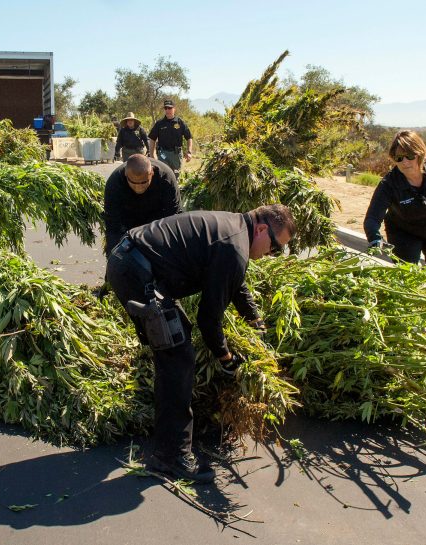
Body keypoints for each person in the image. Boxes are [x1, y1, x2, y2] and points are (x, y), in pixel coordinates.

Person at [106, 204, 295, 482]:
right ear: (263, 229)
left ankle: (169, 442)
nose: (271, 255)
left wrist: (253, 316)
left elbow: (234, 280)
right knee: (178, 359)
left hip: (132, 262)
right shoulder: (235, 246)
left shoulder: (234, 229)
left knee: (174, 350)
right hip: (136, 272)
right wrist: (226, 358)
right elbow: (208, 319)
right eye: (275, 247)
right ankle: (170, 457)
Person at [363, 130, 426, 288]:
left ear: (420, 154)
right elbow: (372, 218)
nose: (405, 162)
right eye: (399, 158)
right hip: (404, 233)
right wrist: (374, 237)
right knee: (408, 280)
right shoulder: (389, 184)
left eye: (410, 156)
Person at [104, 154, 182, 256]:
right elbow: (113, 225)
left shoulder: (166, 177)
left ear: (152, 173)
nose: (139, 188)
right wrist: (114, 256)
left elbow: (173, 217)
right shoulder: (114, 182)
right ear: (126, 175)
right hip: (129, 218)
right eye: (134, 183)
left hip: (158, 218)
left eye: (144, 182)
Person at [148, 100, 193, 178]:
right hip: (163, 154)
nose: (168, 110)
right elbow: (152, 138)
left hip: (176, 155)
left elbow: (189, 137)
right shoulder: (159, 123)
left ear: (174, 109)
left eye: (170, 108)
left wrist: (189, 152)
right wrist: (152, 154)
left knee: (175, 177)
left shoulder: (180, 122)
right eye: (166, 108)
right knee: (164, 176)